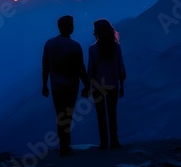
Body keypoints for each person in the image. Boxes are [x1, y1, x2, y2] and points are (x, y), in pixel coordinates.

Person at [42, 15, 90, 156]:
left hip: (56, 87)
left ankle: (63, 146)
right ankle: (65, 146)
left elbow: (45, 67)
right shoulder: (74, 46)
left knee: (59, 115)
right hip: (70, 87)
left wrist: (44, 85)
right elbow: (81, 69)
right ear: (70, 27)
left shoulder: (49, 44)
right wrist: (87, 85)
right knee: (68, 116)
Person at [86, 19, 126, 149]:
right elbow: (121, 67)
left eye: (95, 30)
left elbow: (91, 70)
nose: (93, 32)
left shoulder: (92, 50)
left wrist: (88, 86)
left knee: (101, 115)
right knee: (112, 114)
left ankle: (103, 143)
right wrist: (122, 86)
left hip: (97, 87)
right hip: (113, 85)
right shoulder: (116, 48)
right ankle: (114, 141)